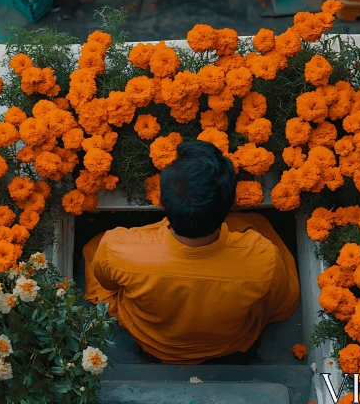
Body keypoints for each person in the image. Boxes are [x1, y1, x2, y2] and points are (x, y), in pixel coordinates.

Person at [82, 140, 300, 364]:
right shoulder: (263, 257)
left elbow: (108, 284)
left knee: (96, 250)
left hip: (151, 339)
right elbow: (278, 299)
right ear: (234, 202)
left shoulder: (119, 248)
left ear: (160, 201)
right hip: (227, 342)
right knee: (258, 226)